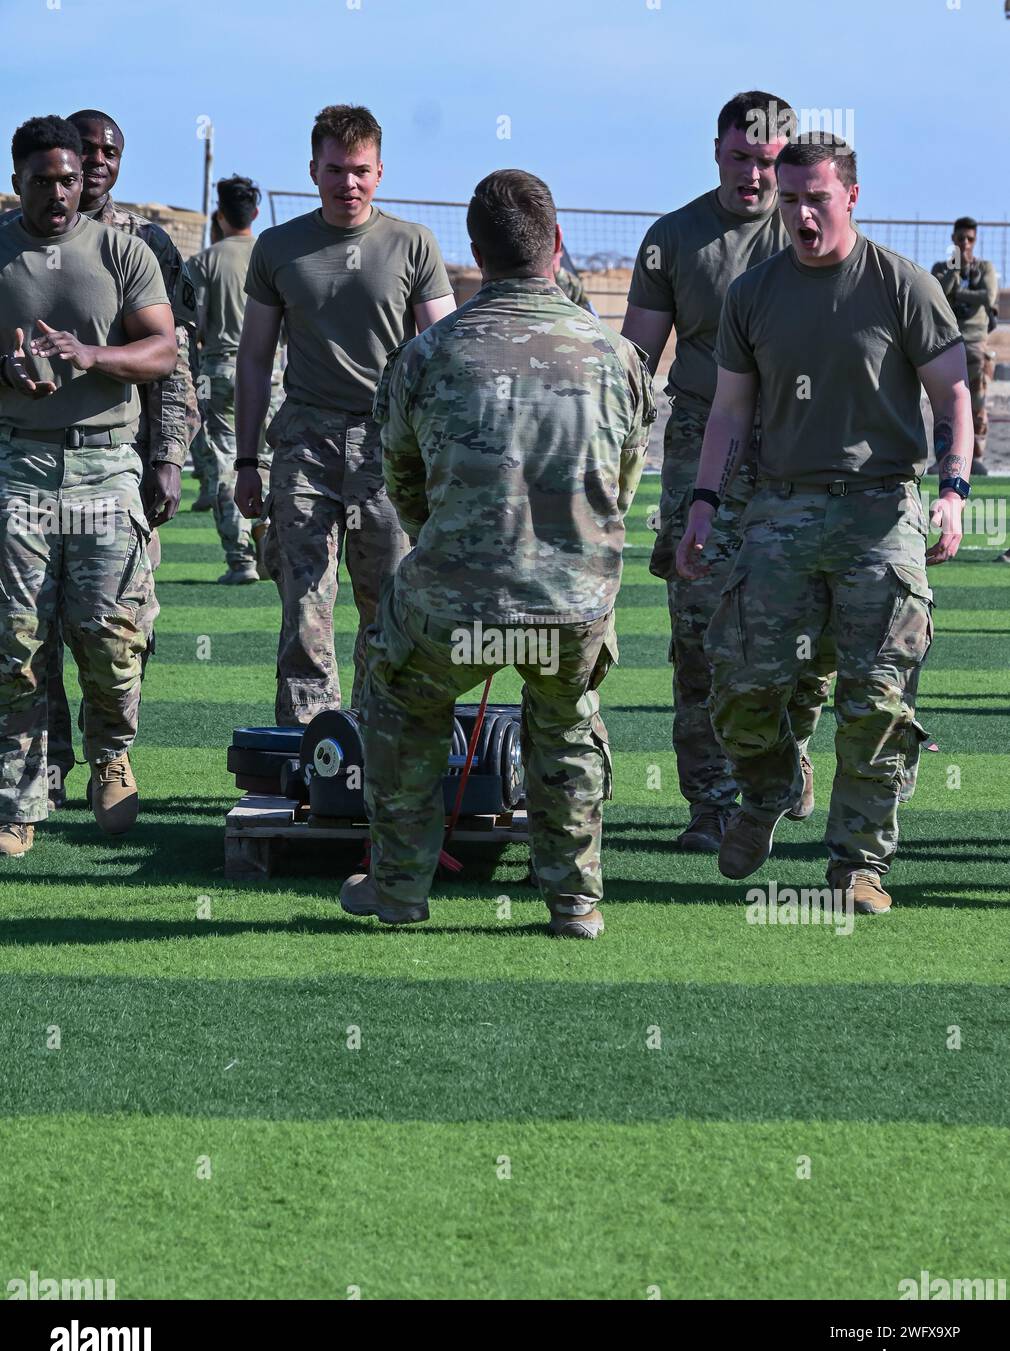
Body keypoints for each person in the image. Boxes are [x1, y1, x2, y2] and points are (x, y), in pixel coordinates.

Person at [339, 168, 655, 938]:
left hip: (454, 607)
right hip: (572, 607)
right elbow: (622, 483)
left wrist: (461, 544)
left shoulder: (424, 355)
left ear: (474, 254)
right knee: (568, 720)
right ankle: (575, 902)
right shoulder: (618, 358)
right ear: (555, 246)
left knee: (401, 703)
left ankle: (400, 888)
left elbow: (404, 490)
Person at [676, 135, 973, 914]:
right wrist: (703, 504)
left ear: (852, 195)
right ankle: (769, 790)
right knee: (740, 684)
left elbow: (954, 397)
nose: (802, 214)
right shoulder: (754, 293)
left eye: (817, 197)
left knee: (876, 697)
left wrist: (953, 490)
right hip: (781, 506)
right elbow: (730, 410)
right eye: (789, 198)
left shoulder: (901, 285)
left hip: (881, 509)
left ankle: (857, 865)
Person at [622, 92, 835, 855]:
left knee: (809, 629)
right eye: (741, 158)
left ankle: (788, 755)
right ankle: (709, 804)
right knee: (699, 633)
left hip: (794, 448)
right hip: (696, 447)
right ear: (716, 150)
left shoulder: (811, 232)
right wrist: (615, 456)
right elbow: (637, 362)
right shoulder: (674, 239)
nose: (754, 176)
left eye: (769, 163)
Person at [235, 104, 456, 723]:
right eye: (335, 170)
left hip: (387, 443)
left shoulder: (413, 244)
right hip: (303, 441)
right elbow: (254, 359)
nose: (348, 184)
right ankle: (313, 744)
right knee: (303, 599)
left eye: (360, 170)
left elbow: (439, 358)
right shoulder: (278, 247)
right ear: (313, 170)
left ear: (380, 172)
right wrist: (246, 460)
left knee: (386, 601)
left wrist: (439, 457)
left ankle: (382, 739)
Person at [0, 116, 177, 857]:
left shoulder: (122, 251)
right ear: (18, 183)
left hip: (105, 463)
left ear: (85, 180)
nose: (57, 193)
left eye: (68, 178)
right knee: (15, 638)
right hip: (21, 464)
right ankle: (21, 791)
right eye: (41, 180)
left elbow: (163, 349)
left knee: (109, 632)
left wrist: (89, 352)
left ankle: (111, 757)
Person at [44, 110, 199, 805]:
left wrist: (168, 456)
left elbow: (174, 362)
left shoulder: (148, 244)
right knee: (31, 622)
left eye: (112, 151)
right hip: (35, 461)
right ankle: (45, 759)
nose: (101, 161)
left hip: (123, 465)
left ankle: (112, 754)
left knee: (119, 623)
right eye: (90, 150)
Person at [188, 175, 268, 583]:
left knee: (224, 462)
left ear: (219, 215)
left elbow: (192, 326)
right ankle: (269, 545)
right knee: (266, 462)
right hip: (270, 373)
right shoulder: (272, 255)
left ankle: (241, 561)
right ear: (255, 212)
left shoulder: (203, 263)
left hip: (219, 372)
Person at [931, 218, 998, 478]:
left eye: (970, 239)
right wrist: (954, 272)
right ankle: (944, 457)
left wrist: (959, 292)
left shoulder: (985, 268)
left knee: (978, 403)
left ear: (975, 240)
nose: (965, 244)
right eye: (961, 239)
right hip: (947, 342)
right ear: (953, 239)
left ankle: (977, 457)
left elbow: (988, 297)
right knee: (944, 404)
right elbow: (938, 294)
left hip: (975, 344)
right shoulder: (942, 267)